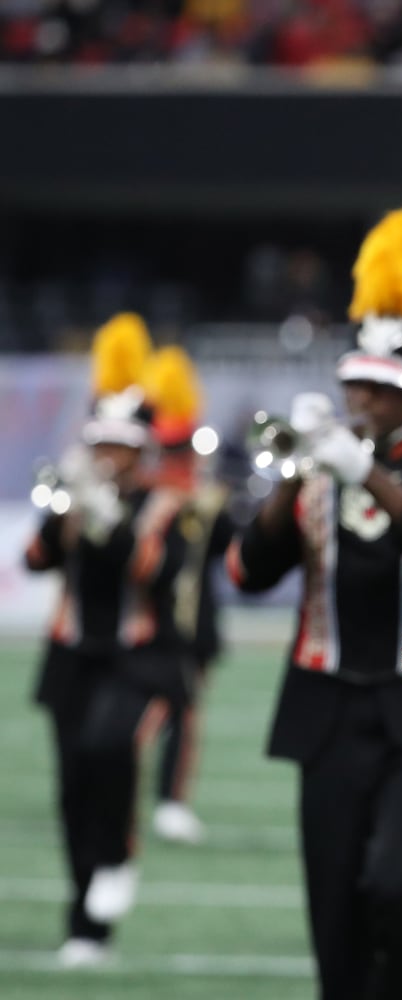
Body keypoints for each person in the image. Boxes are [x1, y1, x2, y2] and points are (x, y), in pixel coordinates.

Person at [227, 209, 402, 1000]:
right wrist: (292, 481)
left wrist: (365, 474)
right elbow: (245, 574)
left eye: (386, 388)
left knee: (399, 887)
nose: (366, 400)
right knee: (334, 913)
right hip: (327, 709)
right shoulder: (317, 469)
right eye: (358, 385)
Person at [26, 313, 190, 967]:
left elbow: (159, 571)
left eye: (121, 447)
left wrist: (107, 517)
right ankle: (84, 922)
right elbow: (36, 561)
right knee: (71, 790)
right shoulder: (73, 493)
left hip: (136, 658)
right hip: (71, 657)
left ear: (142, 451)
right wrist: (68, 512)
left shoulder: (164, 505)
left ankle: (119, 857)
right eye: (101, 444)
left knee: (108, 749)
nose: (108, 457)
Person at [142, 345, 234, 846]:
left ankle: (171, 801)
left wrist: (210, 505)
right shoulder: (146, 494)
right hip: (144, 620)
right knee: (151, 712)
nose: (178, 460)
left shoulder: (204, 496)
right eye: (170, 450)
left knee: (184, 710)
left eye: (183, 450)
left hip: (190, 621)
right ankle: (153, 799)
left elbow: (225, 549)